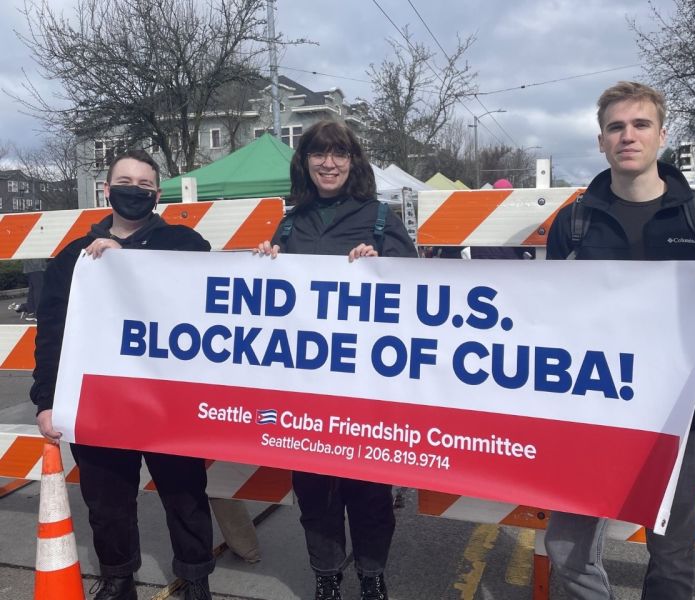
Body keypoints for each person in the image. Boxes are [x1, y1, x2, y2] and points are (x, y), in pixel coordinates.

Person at [544, 81, 695, 600]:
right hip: (591, 405)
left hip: (681, 410)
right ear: (601, 141)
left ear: (661, 136)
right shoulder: (573, 223)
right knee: (568, 545)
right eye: (616, 127)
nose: (628, 136)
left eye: (640, 125)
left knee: (672, 545)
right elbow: (547, 317)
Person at [30, 149, 216, 600]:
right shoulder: (73, 257)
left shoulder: (185, 244)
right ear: (107, 190)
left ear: (157, 194)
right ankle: (117, 577)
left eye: (146, 185)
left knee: (185, 494)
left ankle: (195, 578)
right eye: (126, 182)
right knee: (107, 500)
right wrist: (46, 401)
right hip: (98, 398)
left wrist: (126, 259)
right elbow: (52, 333)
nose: (136, 190)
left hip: (166, 399)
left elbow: (211, 300)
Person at [256, 120, 417, 600]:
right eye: (319, 154)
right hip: (306, 386)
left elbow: (418, 294)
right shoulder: (290, 222)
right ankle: (326, 579)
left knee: (370, 493)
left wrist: (383, 265)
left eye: (340, 154)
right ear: (304, 161)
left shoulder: (380, 218)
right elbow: (268, 303)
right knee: (315, 493)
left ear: (354, 161)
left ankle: (371, 577)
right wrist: (263, 263)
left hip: (367, 386)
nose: (329, 163)